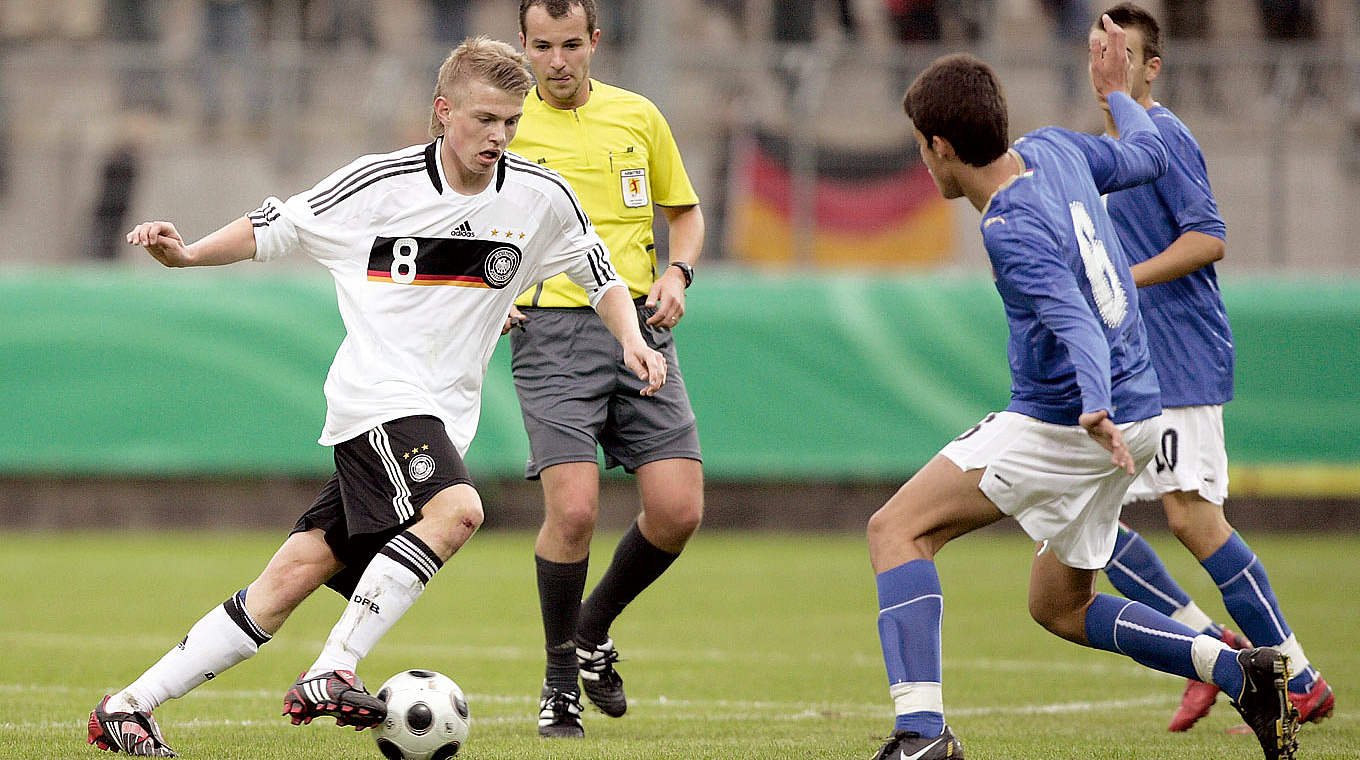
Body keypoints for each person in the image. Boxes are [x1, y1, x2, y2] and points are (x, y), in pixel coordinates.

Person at [86, 36, 666, 758]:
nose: (500, 136)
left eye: (512, 122)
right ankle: (333, 667)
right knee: (458, 511)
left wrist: (632, 338)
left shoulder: (539, 197)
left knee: (290, 577)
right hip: (377, 402)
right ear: (442, 111)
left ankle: (129, 707)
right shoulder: (377, 183)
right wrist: (189, 254)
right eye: (485, 119)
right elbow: (279, 224)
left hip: (438, 420)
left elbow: (597, 269)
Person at [865, 20, 1298, 760]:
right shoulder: (1055, 149)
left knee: (896, 530)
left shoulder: (1008, 226)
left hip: (1071, 421)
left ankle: (921, 734)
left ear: (940, 147)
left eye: (919, 143)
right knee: (1060, 607)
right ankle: (1241, 670)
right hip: (1134, 413)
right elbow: (1149, 152)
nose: (922, 157)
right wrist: (1119, 95)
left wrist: (1091, 399)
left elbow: (1075, 321)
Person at [1086, 3, 1333, 732]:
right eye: (1097, 49)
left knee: (1191, 518)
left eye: (1121, 52)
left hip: (1178, 358)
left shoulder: (1163, 136)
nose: (1105, 63)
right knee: (1072, 525)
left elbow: (1209, 237)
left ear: (1150, 66)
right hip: (1131, 367)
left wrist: (1126, 276)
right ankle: (1214, 645)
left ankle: (1296, 674)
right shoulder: (1110, 153)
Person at [506, 0, 706, 739]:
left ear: (595, 41)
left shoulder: (638, 116)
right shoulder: (504, 125)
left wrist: (679, 274)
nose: (557, 61)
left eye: (569, 44)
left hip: (643, 330)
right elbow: (445, 218)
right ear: (522, 47)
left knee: (680, 510)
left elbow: (684, 212)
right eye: (541, 46)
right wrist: (484, 292)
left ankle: (591, 627)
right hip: (552, 330)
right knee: (577, 511)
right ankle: (560, 681)